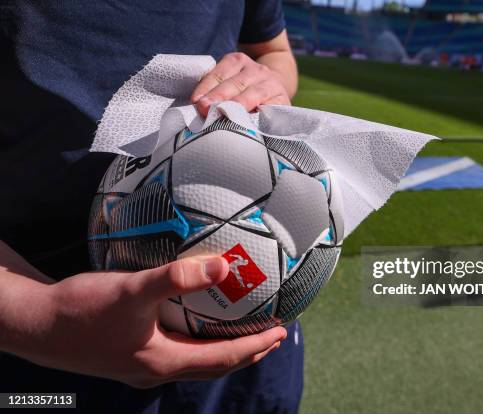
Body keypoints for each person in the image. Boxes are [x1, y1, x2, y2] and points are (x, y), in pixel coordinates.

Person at [0, 1, 302, 413]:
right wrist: (40, 317)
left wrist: (263, 79)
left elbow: (273, 50)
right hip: (39, 346)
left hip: (247, 322)